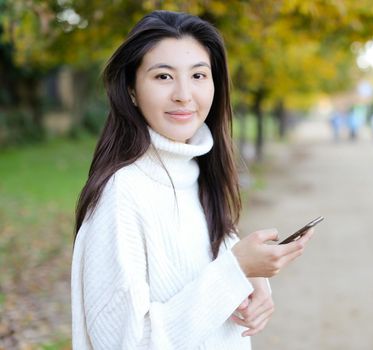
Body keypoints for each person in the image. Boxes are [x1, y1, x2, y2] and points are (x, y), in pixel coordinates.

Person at [71, 11, 314, 349]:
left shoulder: (199, 173)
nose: (184, 94)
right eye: (163, 77)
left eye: (199, 75)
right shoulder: (122, 193)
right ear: (131, 90)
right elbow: (125, 342)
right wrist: (235, 269)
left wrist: (251, 283)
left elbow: (206, 283)